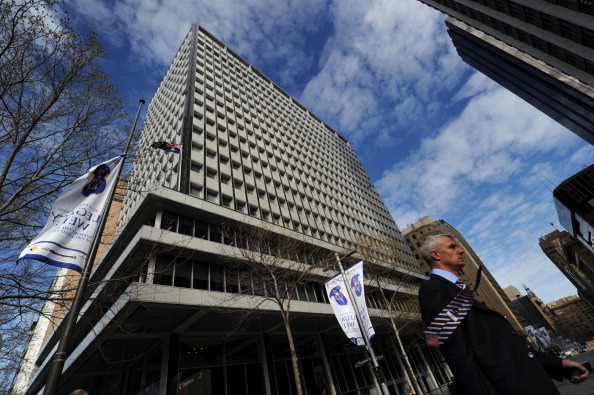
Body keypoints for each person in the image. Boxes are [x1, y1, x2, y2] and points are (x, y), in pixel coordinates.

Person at [418, 234, 589, 395]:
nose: (460, 250)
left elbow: (503, 347)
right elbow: (459, 355)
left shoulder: (460, 291)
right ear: (436, 255)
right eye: (452, 247)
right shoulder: (434, 291)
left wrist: (557, 365)